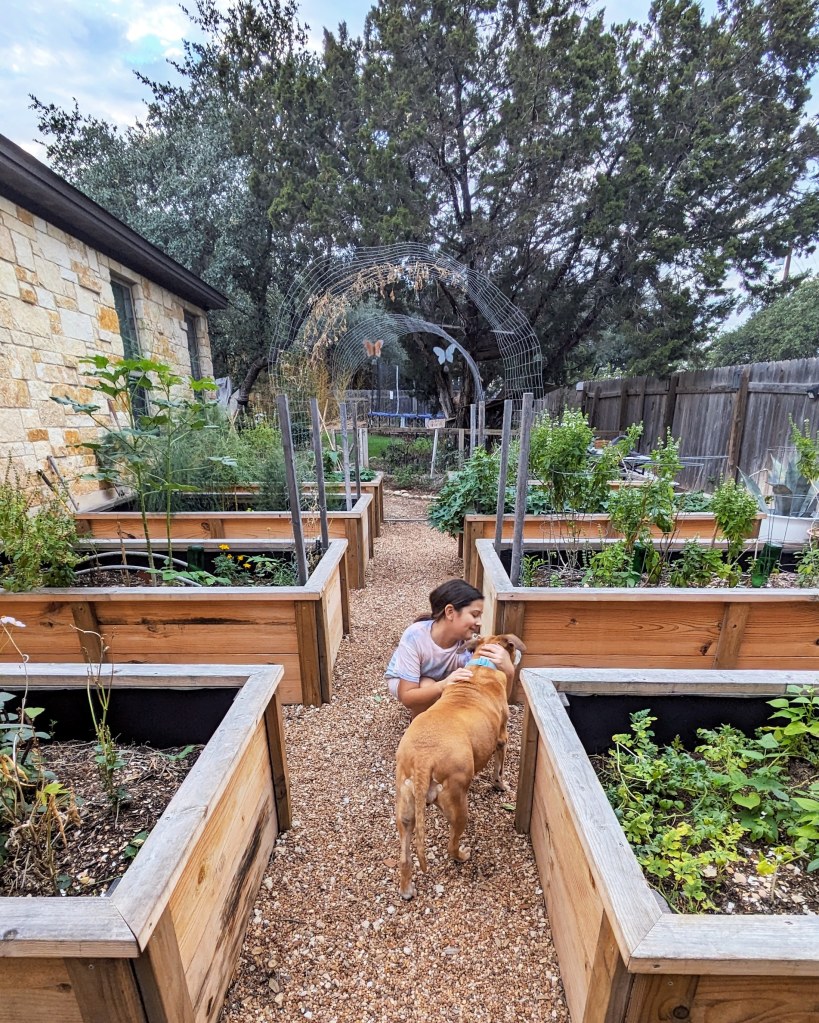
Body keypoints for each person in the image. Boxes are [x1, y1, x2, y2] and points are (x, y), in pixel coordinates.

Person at [385, 579, 515, 718]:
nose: (480, 622)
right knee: (427, 684)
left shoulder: (471, 644)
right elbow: (407, 697)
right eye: (474, 615)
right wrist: (442, 685)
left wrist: (509, 670)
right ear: (450, 612)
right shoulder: (415, 636)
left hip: (444, 679)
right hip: (404, 682)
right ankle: (417, 726)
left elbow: (497, 700)